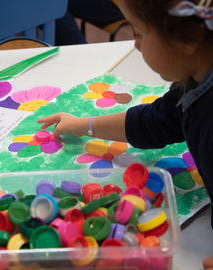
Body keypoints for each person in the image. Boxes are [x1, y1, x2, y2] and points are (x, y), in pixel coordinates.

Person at [39, 0, 213, 268]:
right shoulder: (195, 81)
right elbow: (154, 122)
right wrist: (81, 124)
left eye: (138, 32)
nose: (136, 45)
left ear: (187, 38)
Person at [55, 0, 125, 45]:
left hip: (120, 4)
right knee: (56, 6)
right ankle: (79, 51)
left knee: (57, 6)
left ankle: (79, 52)